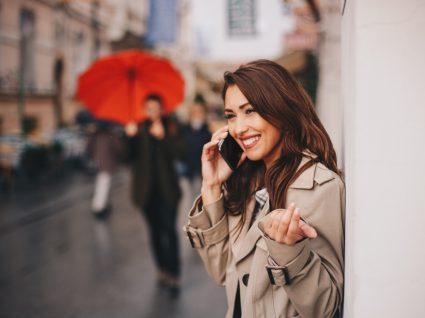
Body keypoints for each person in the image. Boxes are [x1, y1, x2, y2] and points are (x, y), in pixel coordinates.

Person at [184, 60, 345, 317]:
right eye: (231, 116)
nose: (238, 128)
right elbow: (222, 271)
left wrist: (289, 249)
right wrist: (212, 186)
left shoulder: (318, 187)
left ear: (281, 109)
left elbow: (325, 307)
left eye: (250, 111)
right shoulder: (248, 180)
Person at [125, 94, 186, 295]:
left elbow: (181, 153)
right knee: (154, 233)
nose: (152, 112)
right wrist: (129, 137)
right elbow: (125, 158)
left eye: (155, 108)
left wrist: (164, 138)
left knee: (169, 230)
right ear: (144, 109)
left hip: (168, 192)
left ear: (161, 109)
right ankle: (161, 268)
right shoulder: (138, 128)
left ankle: (174, 273)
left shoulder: (171, 126)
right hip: (146, 193)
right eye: (148, 108)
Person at [86, 122, 122, 218]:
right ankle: (99, 208)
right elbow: (119, 148)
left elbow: (88, 149)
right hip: (106, 165)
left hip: (97, 164)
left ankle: (100, 206)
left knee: (101, 185)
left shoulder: (94, 136)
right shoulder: (109, 136)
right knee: (103, 186)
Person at [181, 99, 212, 199]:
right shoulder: (184, 130)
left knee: (199, 196)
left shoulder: (207, 131)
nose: (197, 115)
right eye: (195, 112)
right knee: (189, 197)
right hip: (187, 170)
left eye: (200, 112)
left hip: (201, 170)